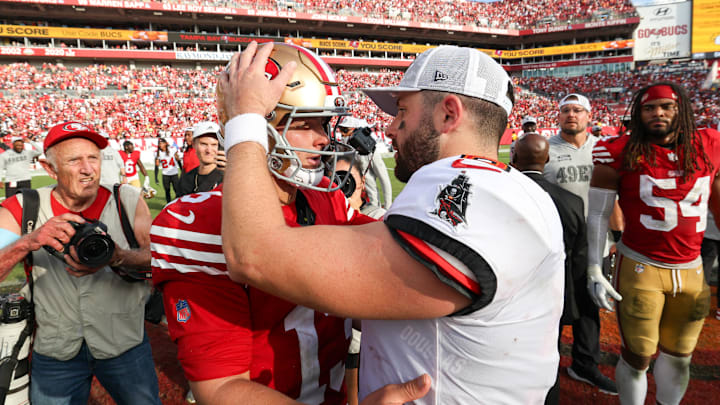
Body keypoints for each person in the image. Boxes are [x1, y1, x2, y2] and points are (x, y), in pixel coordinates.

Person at [219, 42, 564, 404]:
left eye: (402, 111)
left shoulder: (469, 191)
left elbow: (253, 253)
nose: (390, 126)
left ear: (448, 114)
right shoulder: (512, 188)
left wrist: (246, 117)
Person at [151, 42, 430, 405]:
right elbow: (221, 390)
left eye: (324, 123)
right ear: (257, 128)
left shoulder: (326, 198)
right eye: (303, 124)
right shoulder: (199, 222)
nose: (322, 139)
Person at [0, 121, 160, 405]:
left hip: (125, 343)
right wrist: (30, 241)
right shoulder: (23, 207)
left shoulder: (126, 199)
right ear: (49, 169)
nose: (88, 169)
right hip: (57, 350)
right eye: (74, 160)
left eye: (93, 158)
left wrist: (119, 257)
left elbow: (157, 259)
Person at [588, 82, 720, 405]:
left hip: (691, 268)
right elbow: (598, 214)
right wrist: (594, 263)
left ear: (682, 110)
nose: (657, 113)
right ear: (638, 113)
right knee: (637, 355)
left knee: (679, 356)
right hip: (640, 266)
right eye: (649, 108)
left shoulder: (710, 144)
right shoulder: (619, 150)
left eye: (666, 107)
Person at [543, 93, 617, 395]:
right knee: (552, 310)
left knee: (590, 308)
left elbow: (617, 197)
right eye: (565, 110)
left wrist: (616, 237)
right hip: (557, 246)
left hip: (596, 243)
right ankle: (547, 367)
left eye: (577, 110)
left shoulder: (603, 150)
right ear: (558, 116)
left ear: (589, 116)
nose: (571, 115)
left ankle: (584, 364)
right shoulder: (544, 148)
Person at [511, 133, 588, 405]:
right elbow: (579, 259)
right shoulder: (572, 202)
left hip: (509, 294)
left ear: (513, 157)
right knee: (548, 359)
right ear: (547, 159)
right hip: (555, 292)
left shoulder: (503, 194)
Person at [337, 117, 392, 209]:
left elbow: (385, 180)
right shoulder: (345, 140)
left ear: (353, 128)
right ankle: (374, 207)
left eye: (345, 129)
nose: (342, 132)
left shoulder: (360, 137)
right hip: (361, 164)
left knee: (384, 179)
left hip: (372, 155)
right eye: (341, 129)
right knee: (369, 184)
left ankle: (388, 206)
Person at [177, 122, 224, 197]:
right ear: (194, 145)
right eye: (203, 144)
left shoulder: (228, 179)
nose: (209, 150)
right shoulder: (185, 180)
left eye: (214, 145)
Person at [701, 211, 720, 320]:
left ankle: (699, 305)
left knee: (704, 267)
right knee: (704, 268)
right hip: (708, 228)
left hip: (708, 227)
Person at [155, 138, 181, 203]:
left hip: (174, 173)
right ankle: (168, 204)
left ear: (165, 143)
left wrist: (182, 170)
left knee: (177, 190)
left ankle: (179, 204)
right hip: (165, 174)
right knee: (167, 191)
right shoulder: (158, 153)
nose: (160, 145)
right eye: (159, 144)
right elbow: (156, 166)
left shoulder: (172, 150)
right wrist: (156, 177)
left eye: (161, 143)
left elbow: (178, 160)